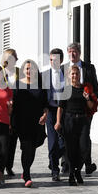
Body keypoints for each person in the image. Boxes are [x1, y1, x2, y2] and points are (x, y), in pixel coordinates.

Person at [55, 65, 96, 186]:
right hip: (69, 120)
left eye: (76, 74)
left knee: (84, 147)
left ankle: (77, 170)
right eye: (72, 74)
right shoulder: (66, 89)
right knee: (71, 149)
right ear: (69, 76)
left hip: (83, 120)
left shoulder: (84, 89)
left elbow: (90, 106)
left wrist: (88, 98)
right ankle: (72, 174)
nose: (74, 76)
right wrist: (58, 122)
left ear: (79, 75)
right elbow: (60, 108)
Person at [62, 42, 98, 175]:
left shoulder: (89, 68)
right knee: (68, 137)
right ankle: (66, 164)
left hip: (85, 110)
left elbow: (96, 88)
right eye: (70, 52)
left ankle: (87, 164)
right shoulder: (63, 69)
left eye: (75, 52)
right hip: (68, 109)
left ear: (79, 53)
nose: (72, 54)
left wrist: (91, 101)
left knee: (84, 138)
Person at [13, 60, 48, 187]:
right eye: (27, 69)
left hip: (37, 122)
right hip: (22, 122)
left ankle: (26, 170)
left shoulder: (40, 85)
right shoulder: (17, 85)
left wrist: (45, 115)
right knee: (26, 147)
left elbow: (45, 105)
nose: (29, 71)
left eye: (31, 69)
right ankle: (26, 174)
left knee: (32, 149)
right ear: (23, 70)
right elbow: (13, 104)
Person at [42, 48, 66, 181]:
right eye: (51, 60)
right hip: (50, 111)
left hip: (64, 110)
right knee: (52, 142)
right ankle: (55, 171)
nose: (53, 62)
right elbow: (41, 96)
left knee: (64, 143)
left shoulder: (67, 73)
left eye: (55, 60)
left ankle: (53, 160)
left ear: (61, 60)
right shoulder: (44, 75)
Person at [1, 49, 20, 177]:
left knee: (13, 139)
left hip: (17, 109)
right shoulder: (0, 72)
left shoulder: (19, 72)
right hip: (3, 109)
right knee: (3, 140)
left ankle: (9, 166)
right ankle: (0, 166)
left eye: (15, 58)